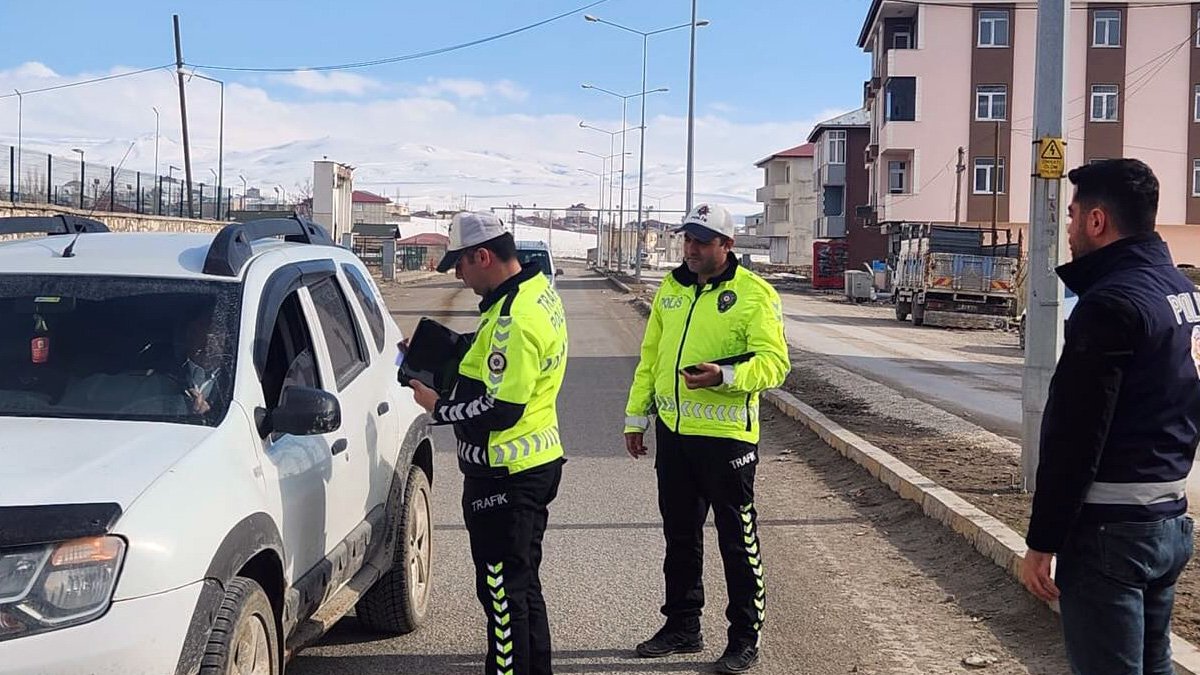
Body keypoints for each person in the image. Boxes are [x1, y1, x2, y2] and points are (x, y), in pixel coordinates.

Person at [1020, 159, 1200, 675]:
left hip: (1109, 533)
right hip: (1168, 521)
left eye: (1074, 216)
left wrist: (1043, 541)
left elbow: (1075, 435)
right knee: (1154, 665)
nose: (1069, 229)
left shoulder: (1109, 305)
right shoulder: (1186, 297)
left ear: (1098, 221)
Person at [623, 203, 790, 673]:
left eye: (701, 241)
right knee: (679, 537)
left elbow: (776, 365)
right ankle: (682, 626)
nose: (690, 249)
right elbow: (650, 358)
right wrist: (637, 418)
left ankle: (744, 637)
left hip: (726, 441)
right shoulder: (671, 291)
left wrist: (725, 375)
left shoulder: (754, 295)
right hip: (675, 437)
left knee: (737, 540)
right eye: (687, 239)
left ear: (727, 245)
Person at [408, 211, 569, 675]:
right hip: (533, 464)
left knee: (502, 595)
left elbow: (499, 409)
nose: (459, 275)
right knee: (523, 587)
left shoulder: (513, 319)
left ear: (483, 255)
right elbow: (492, 362)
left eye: (460, 264)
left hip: (505, 476)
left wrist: (438, 407)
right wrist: (440, 352)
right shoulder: (533, 294)